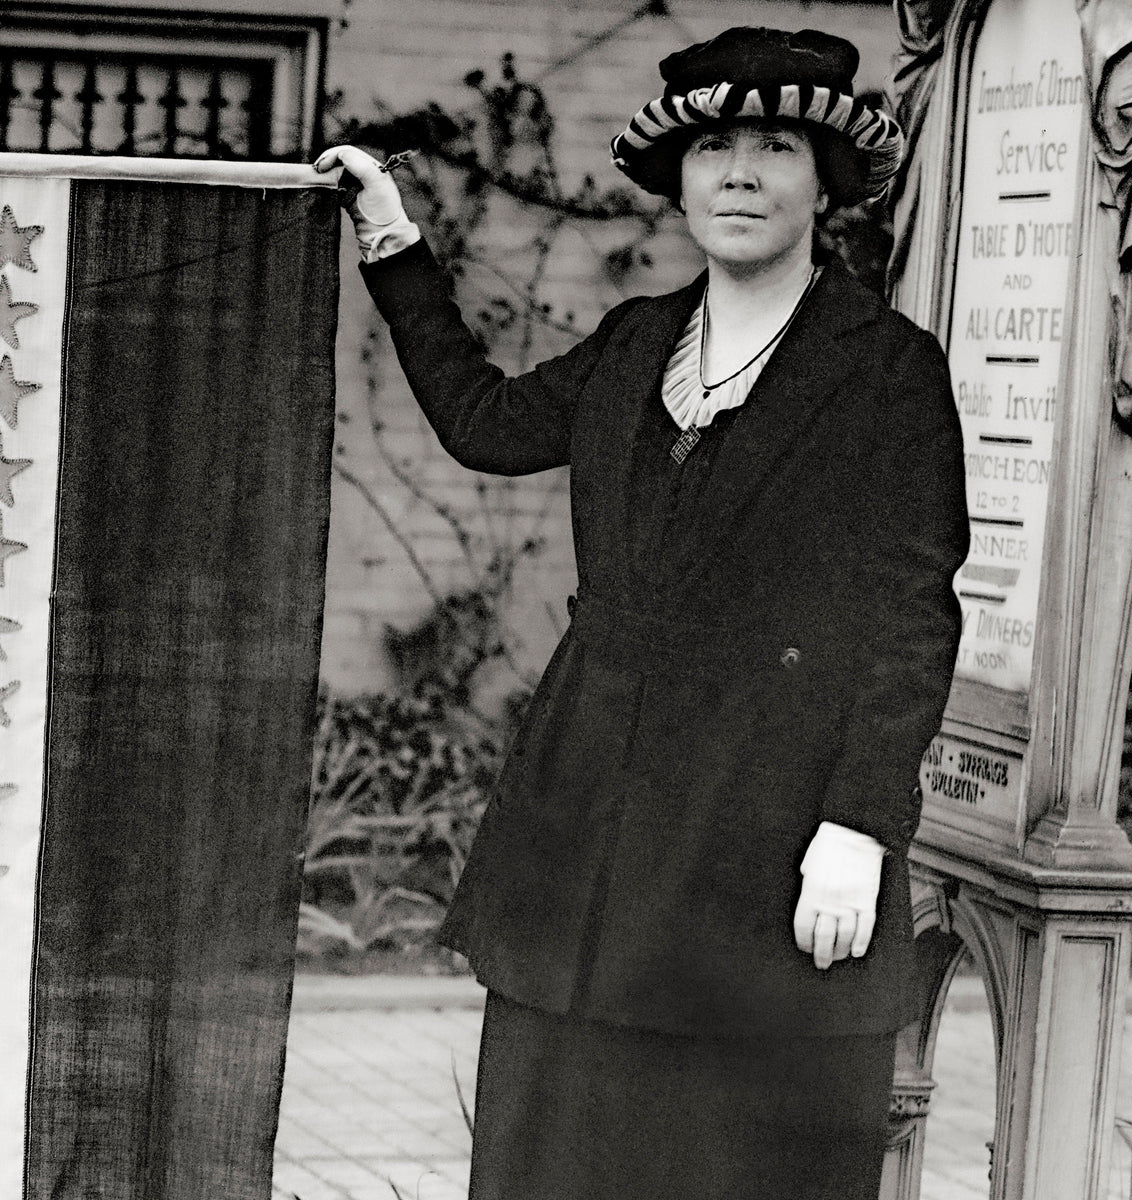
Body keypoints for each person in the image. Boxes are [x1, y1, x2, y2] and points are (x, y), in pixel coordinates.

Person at [317, 24, 968, 1200]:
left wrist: (860, 826)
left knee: (729, 1166)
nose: (740, 174)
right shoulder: (634, 342)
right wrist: (392, 239)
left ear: (826, 181)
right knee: (558, 1157)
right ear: (679, 176)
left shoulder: (887, 371)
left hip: (766, 841)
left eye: (776, 147)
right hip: (589, 831)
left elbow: (911, 616)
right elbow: (484, 422)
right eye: (715, 148)